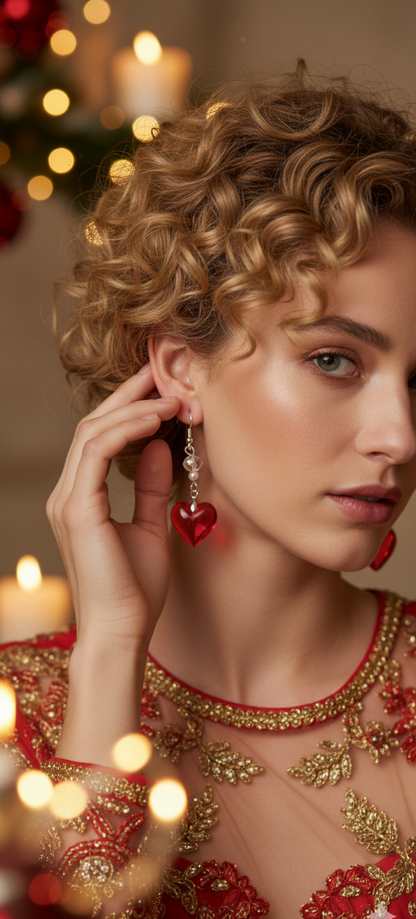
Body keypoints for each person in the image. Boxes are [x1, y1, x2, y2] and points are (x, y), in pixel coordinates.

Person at [2, 61, 416, 918]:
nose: (400, 436)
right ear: (181, 368)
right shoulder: (13, 724)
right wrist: (113, 647)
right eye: (335, 359)